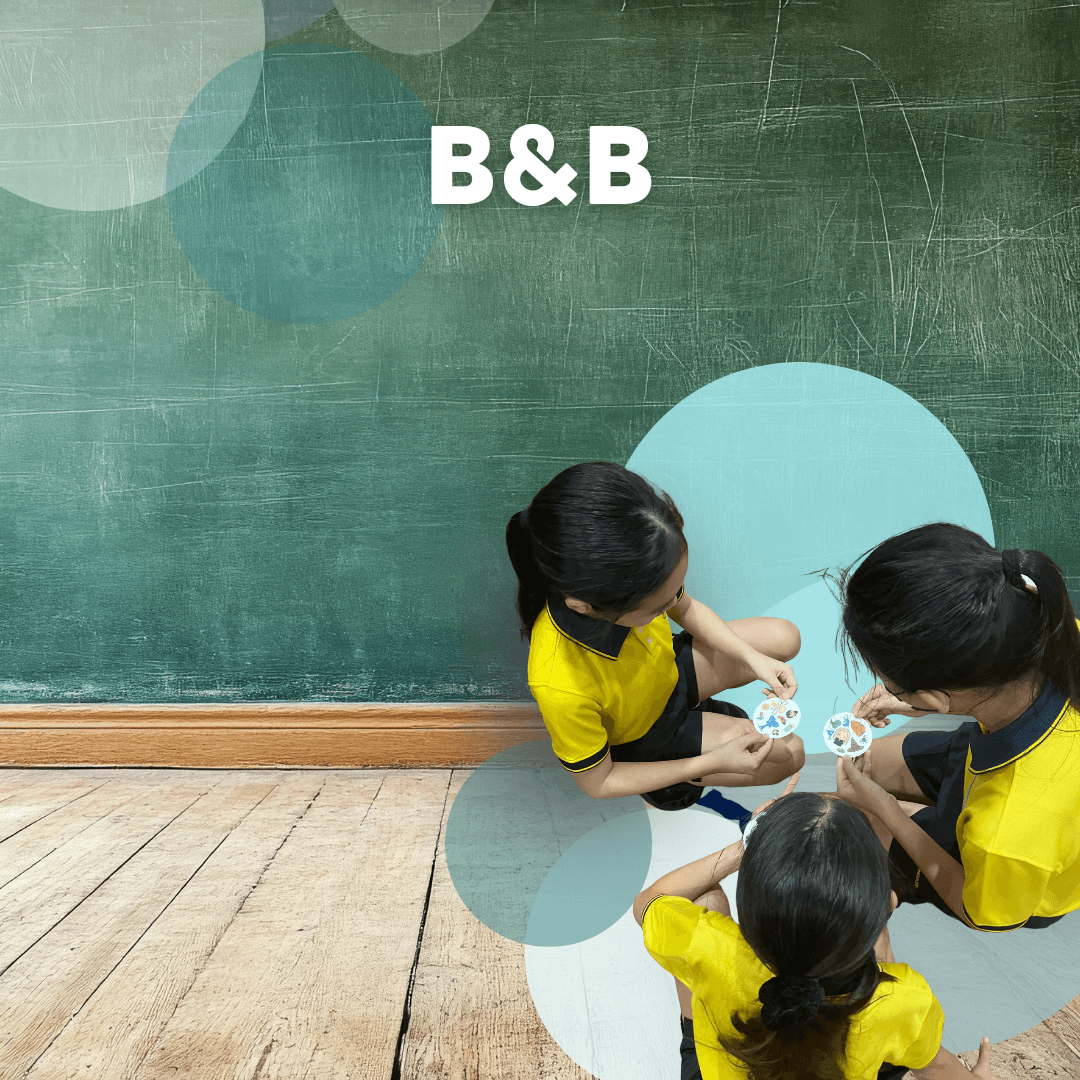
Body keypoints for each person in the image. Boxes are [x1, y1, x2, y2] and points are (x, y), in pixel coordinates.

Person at [634, 780, 1003, 1080]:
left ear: (751, 908)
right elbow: (936, 1068)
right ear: (887, 902)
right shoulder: (904, 1000)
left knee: (703, 901)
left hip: (719, 1057)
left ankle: (694, 1022)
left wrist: (743, 847)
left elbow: (649, 901)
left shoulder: (714, 950)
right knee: (880, 957)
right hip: (851, 1058)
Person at [506, 461, 803, 811]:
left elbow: (686, 608)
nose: (675, 603)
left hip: (667, 672)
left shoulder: (632, 574)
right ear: (586, 607)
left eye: (675, 591)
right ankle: (674, 778)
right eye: (660, 607)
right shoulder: (560, 684)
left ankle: (702, 719)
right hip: (644, 735)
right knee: (791, 754)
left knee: (784, 637)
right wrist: (710, 762)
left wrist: (752, 658)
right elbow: (599, 783)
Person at [833, 522, 1080, 931]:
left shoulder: (1003, 835)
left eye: (891, 684)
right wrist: (915, 699)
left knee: (854, 816)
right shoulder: (1044, 623)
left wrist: (886, 810)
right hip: (1000, 754)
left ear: (936, 698)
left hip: (1007, 878)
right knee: (868, 769)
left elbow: (976, 912)